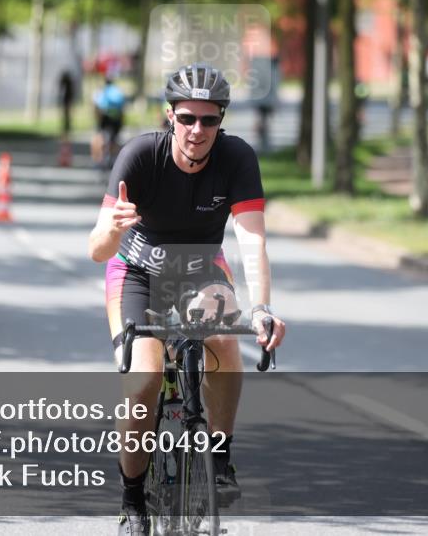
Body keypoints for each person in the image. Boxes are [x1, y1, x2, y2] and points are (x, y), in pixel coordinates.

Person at [87, 63, 286, 536]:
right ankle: (133, 500)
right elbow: (96, 250)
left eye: (209, 120)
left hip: (200, 270)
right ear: (169, 116)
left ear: (222, 120)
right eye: (187, 118)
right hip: (136, 273)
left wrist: (261, 309)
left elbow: (251, 241)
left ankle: (219, 458)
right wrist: (111, 231)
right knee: (143, 382)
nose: (197, 130)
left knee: (223, 337)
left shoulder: (237, 159)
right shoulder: (139, 157)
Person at [91, 74, 126, 168]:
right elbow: (122, 107)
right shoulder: (117, 91)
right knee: (114, 140)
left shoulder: (103, 91)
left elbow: (98, 106)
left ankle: (100, 160)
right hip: (117, 119)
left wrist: (98, 119)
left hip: (105, 118)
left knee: (101, 138)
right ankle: (115, 160)